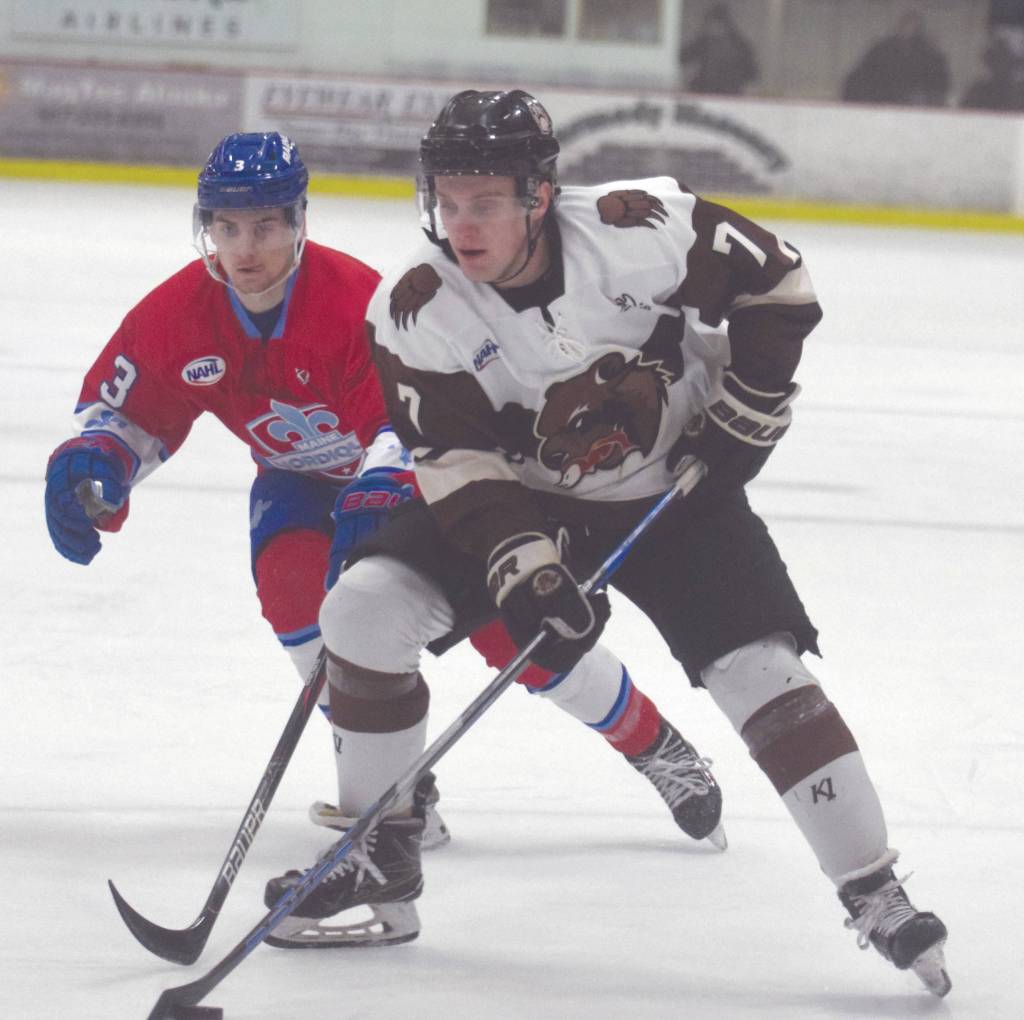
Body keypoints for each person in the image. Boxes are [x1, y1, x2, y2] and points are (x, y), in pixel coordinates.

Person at [265, 91, 951, 998]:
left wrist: (749, 405)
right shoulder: (415, 306)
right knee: (361, 610)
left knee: (761, 672)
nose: (461, 225)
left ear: (539, 195)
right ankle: (382, 850)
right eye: (448, 201)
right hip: (522, 497)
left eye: (486, 203)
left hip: (676, 492)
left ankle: (873, 888)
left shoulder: (641, 228)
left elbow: (778, 282)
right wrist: (523, 564)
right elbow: (458, 463)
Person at [43, 131, 724, 856]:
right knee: (294, 594)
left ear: (299, 221)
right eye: (226, 227)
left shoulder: (358, 301)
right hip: (300, 481)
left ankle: (653, 744)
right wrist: (98, 460)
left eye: (265, 226)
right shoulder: (176, 314)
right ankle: (395, 788)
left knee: (513, 635)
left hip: (435, 475)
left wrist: (382, 485)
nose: (244, 249)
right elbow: (129, 410)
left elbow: (410, 421)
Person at [842, 11, 950, 106]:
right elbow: (861, 75)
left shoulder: (929, 54)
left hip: (914, 106)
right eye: (905, 25)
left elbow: (939, 83)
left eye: (915, 28)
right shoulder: (882, 49)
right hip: (881, 101)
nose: (909, 30)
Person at [678, 2, 759, 96]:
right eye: (712, 25)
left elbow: (752, 73)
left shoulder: (739, 45)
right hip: (706, 92)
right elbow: (683, 57)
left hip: (729, 94)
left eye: (717, 24)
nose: (715, 28)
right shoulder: (705, 42)